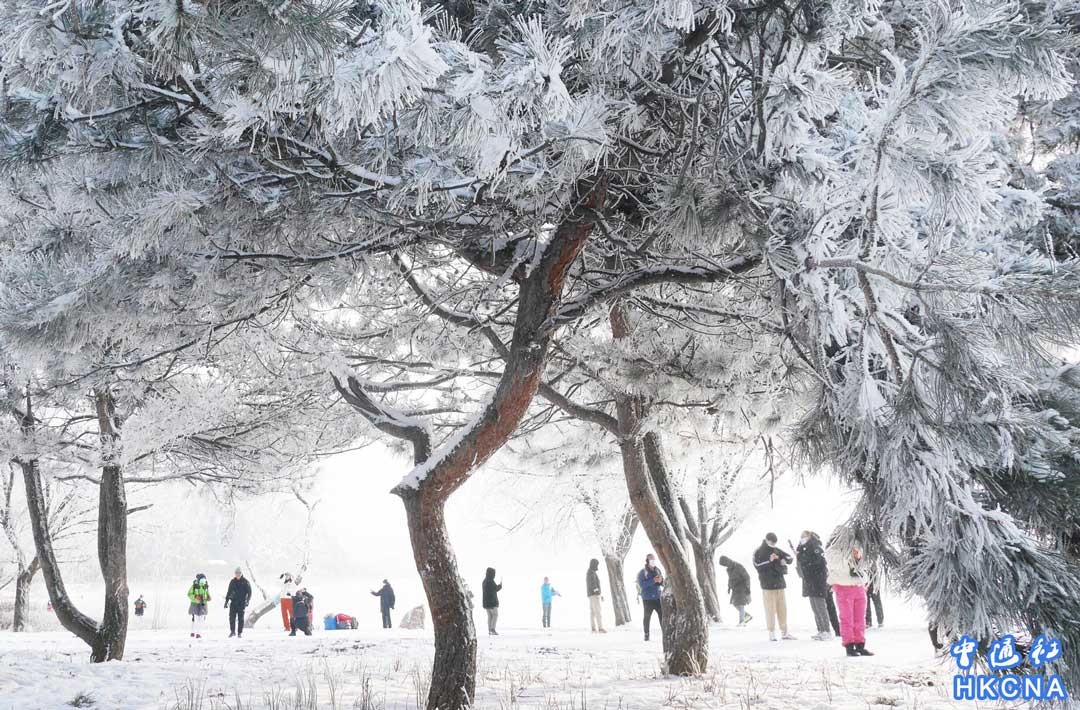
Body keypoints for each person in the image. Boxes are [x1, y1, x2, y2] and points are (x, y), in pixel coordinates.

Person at [826, 532, 873, 656]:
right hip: (843, 587)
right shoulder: (833, 551)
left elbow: (866, 564)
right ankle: (849, 646)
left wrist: (859, 557)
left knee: (860, 618)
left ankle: (860, 644)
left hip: (859, 585)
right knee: (847, 618)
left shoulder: (857, 545)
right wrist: (850, 557)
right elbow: (835, 565)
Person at [752, 532, 796, 641]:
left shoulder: (776, 550)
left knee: (782, 609)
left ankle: (784, 632)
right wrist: (769, 561)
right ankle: (771, 632)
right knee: (770, 609)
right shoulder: (758, 551)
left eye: (774, 543)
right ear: (767, 540)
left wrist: (783, 560)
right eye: (772, 543)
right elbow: (757, 566)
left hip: (780, 583)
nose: (773, 545)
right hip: (767, 585)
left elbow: (789, 557)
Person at [795, 531, 832, 641]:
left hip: (818, 581)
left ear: (809, 536)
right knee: (815, 608)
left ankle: (826, 630)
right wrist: (799, 554)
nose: (802, 538)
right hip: (809, 582)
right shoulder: (803, 549)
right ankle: (820, 629)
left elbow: (816, 563)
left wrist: (802, 558)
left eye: (804, 536)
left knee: (821, 607)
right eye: (801, 536)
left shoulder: (816, 547)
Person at [716, 556, 752, 626]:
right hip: (735, 589)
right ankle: (747, 616)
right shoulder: (728, 569)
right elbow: (730, 579)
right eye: (724, 565)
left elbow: (747, 577)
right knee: (734, 603)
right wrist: (729, 587)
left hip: (742, 587)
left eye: (725, 564)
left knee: (741, 604)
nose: (725, 566)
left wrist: (748, 588)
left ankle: (742, 622)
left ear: (727, 561)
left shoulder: (739, 566)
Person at [636, 554, 664, 641]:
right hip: (647, 599)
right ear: (647, 561)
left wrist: (661, 581)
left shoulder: (657, 570)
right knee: (647, 618)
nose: (653, 561)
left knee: (662, 616)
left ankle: (665, 633)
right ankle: (646, 635)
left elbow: (662, 582)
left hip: (658, 597)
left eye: (654, 559)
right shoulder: (643, 572)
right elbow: (642, 585)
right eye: (651, 559)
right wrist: (653, 580)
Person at [225, 567, 252, 638]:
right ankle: (232, 632)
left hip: (241, 603)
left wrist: (247, 601)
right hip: (233, 603)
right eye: (236, 573)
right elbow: (229, 592)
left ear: (241, 573)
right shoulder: (232, 581)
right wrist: (226, 602)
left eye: (239, 573)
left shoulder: (245, 582)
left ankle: (239, 633)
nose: (237, 574)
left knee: (241, 619)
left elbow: (249, 592)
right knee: (231, 618)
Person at [187, 573, 210, 639]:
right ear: (199, 579)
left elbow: (207, 594)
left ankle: (199, 633)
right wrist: (195, 597)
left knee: (202, 619)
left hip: (203, 604)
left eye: (204, 579)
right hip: (195, 604)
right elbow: (189, 594)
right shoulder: (194, 586)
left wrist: (208, 597)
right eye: (202, 579)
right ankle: (193, 632)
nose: (203, 580)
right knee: (195, 619)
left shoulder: (206, 586)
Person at [585, 561, 605, 633]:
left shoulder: (589, 572)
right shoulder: (591, 573)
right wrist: (598, 594)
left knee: (592, 612)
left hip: (591, 595)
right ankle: (600, 628)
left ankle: (593, 628)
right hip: (594, 595)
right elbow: (593, 584)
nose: (597, 566)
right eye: (596, 564)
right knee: (597, 611)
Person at [482, 567, 502, 636]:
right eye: (494, 573)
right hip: (492, 602)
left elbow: (492, 589)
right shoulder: (490, 581)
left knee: (490, 616)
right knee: (495, 615)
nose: (494, 575)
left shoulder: (484, 581)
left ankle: (490, 630)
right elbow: (495, 589)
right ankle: (492, 629)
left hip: (486, 602)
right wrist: (500, 586)